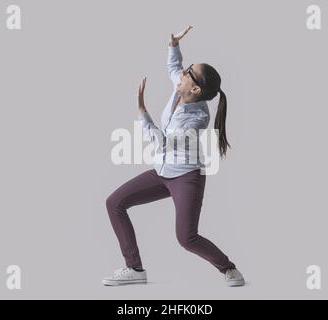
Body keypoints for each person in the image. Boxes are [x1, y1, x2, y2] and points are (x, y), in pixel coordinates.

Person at [103, 26, 245, 287]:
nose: (182, 73)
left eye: (189, 73)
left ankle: (228, 268)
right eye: (186, 68)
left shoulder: (198, 118)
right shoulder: (181, 90)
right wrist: (173, 45)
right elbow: (173, 68)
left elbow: (162, 143)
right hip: (162, 172)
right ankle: (134, 268)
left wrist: (142, 111)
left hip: (186, 177)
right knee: (115, 203)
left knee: (186, 238)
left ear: (196, 91)